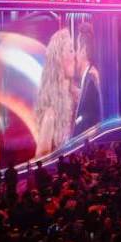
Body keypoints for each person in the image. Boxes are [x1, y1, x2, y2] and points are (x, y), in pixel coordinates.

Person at [34, 28, 76, 157]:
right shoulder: (50, 115)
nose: (74, 55)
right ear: (58, 58)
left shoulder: (76, 98)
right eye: (70, 50)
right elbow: (40, 160)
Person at [73, 23, 102, 137]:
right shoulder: (87, 78)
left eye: (76, 48)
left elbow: (90, 119)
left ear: (83, 51)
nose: (74, 54)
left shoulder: (92, 79)